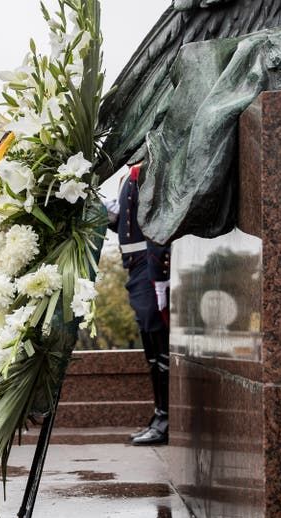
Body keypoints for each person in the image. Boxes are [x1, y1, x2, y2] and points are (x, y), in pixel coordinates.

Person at [104, 162, 172, 446]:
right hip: (137, 268)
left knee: (159, 343)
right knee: (151, 343)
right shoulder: (131, 174)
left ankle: (165, 418)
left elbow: (158, 223)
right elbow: (126, 223)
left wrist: (160, 276)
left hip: (149, 267)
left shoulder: (149, 169)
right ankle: (159, 414)